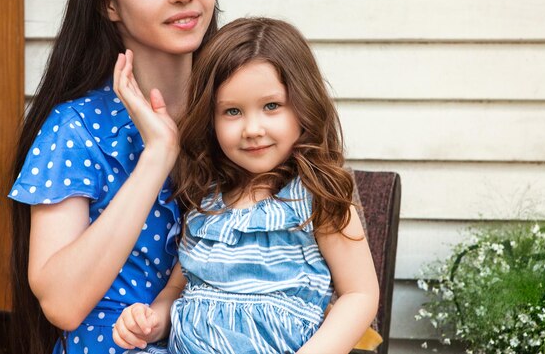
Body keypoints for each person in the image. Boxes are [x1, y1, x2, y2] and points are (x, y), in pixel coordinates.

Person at [112, 17, 380, 354]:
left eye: (271, 106)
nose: (252, 128)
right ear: (210, 117)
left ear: (303, 104)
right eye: (232, 111)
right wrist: (151, 323)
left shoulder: (315, 199)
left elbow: (360, 294)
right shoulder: (205, 204)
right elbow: (177, 291)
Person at [8, 0, 218, 352]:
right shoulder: (77, 129)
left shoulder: (243, 119)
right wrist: (157, 157)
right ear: (109, 4)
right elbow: (62, 303)